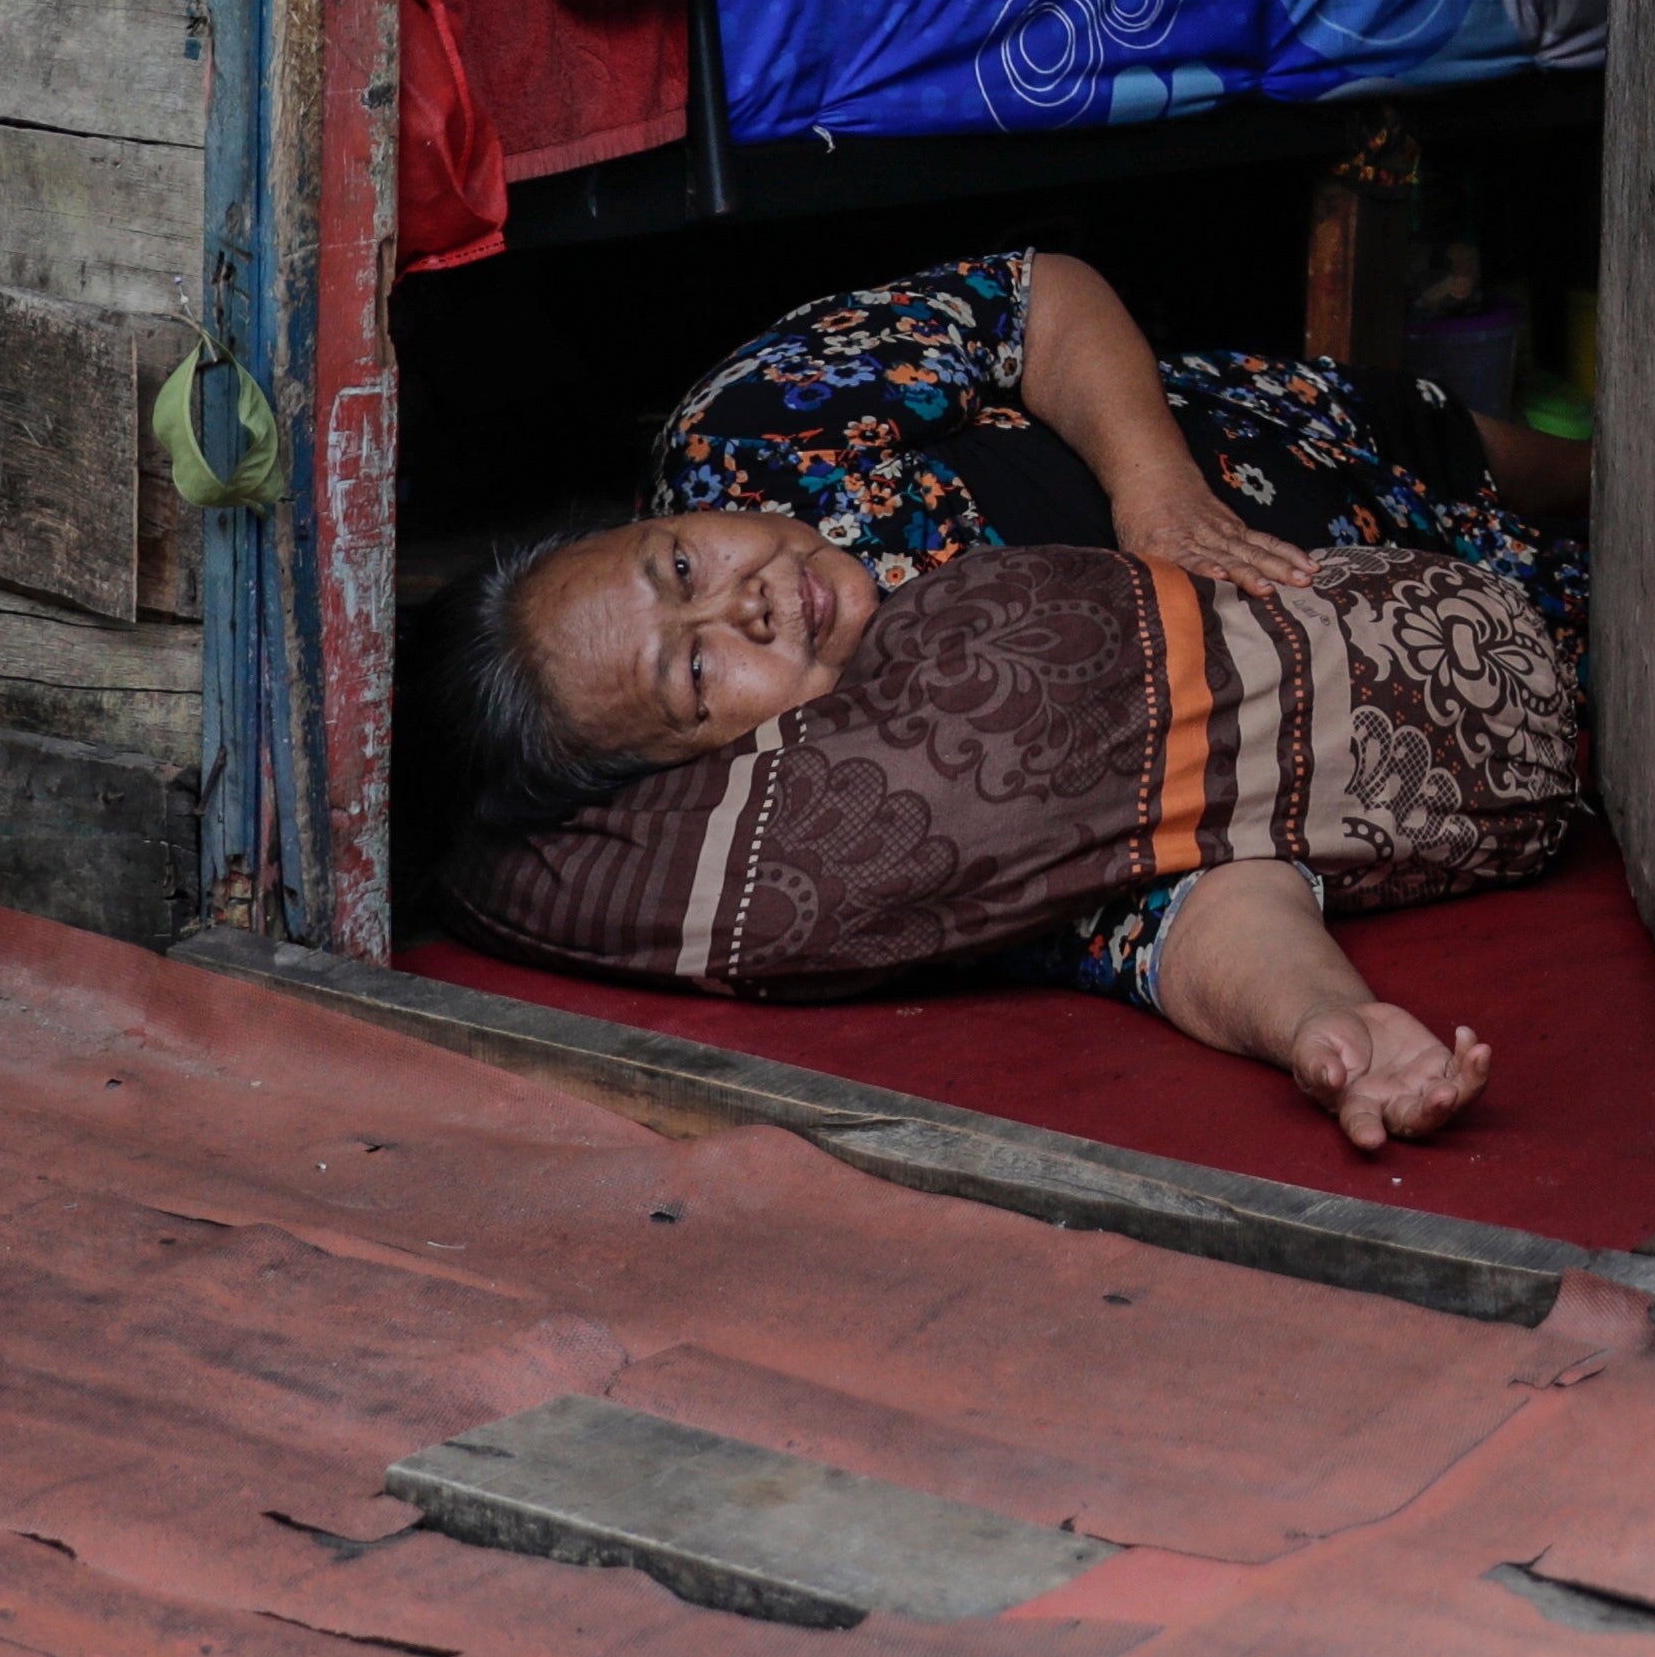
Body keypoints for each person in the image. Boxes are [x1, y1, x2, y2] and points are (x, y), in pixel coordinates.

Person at [435, 249, 1593, 1147]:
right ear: (700, 765)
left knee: (1602, 468)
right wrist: (1323, 1025)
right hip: (1480, 636)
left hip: (1313, 442)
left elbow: (1038, 297)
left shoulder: (753, 433)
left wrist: (1152, 490)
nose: (740, 604)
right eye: (691, 675)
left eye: (680, 564)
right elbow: (1169, 899)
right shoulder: (895, 797)